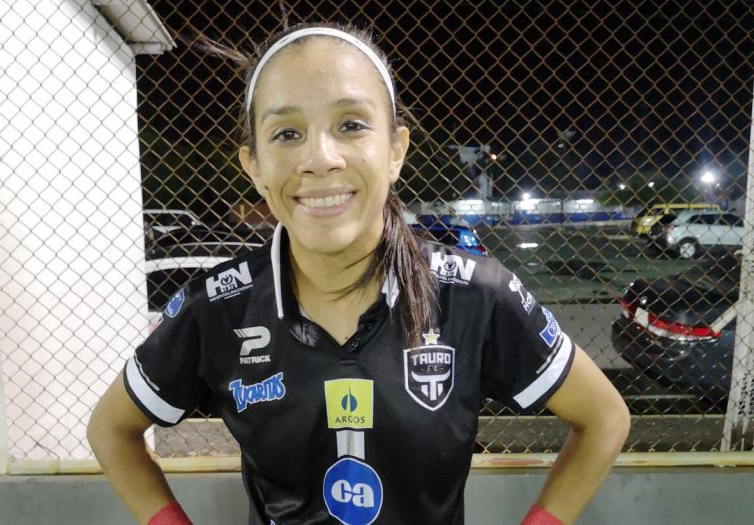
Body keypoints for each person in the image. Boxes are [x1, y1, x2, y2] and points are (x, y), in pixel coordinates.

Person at [88, 23, 630, 525]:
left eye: (350, 125)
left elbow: (604, 418)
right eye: (286, 133)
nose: (320, 158)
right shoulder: (216, 308)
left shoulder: (475, 295)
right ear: (253, 165)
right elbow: (111, 430)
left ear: (395, 150)